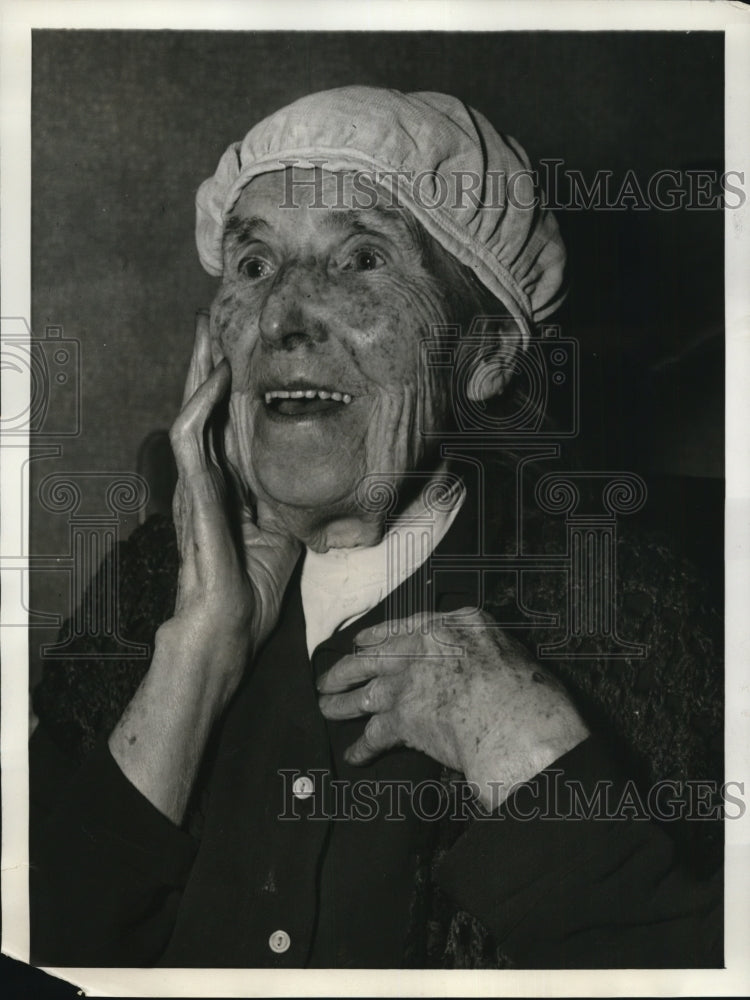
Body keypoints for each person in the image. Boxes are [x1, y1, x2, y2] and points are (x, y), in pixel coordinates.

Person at [30, 86, 723, 970]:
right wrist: (192, 660)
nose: (281, 316)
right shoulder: (143, 586)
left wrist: (533, 758)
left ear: (486, 356)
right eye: (253, 265)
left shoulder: (629, 612)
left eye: (360, 259)